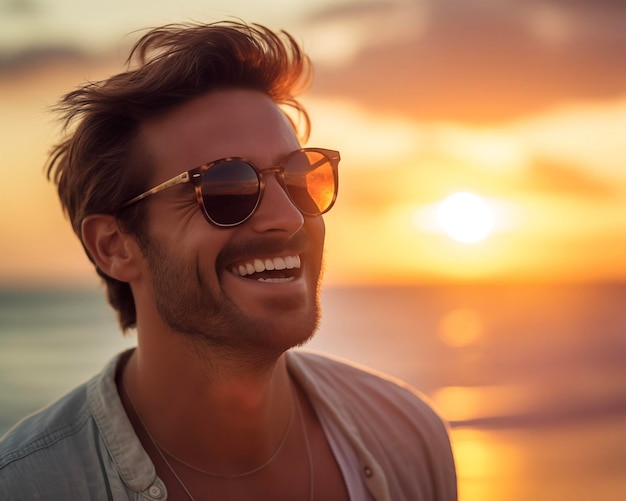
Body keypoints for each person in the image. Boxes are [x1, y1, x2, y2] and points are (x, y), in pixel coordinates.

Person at [0, 21, 457, 500]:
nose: (288, 217)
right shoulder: (28, 487)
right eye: (226, 188)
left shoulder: (407, 436)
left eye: (298, 177)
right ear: (114, 246)